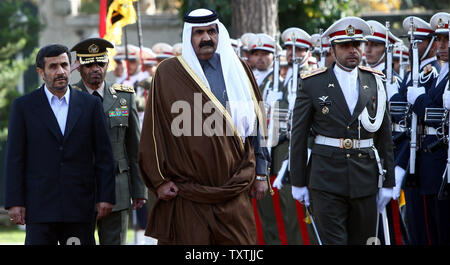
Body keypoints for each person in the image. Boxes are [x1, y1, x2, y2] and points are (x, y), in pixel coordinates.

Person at [138, 8, 269, 245]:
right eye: (198, 32)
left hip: (234, 189)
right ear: (189, 36)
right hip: (189, 195)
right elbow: (153, 132)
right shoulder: (168, 73)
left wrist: (261, 172)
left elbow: (257, 125)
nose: (206, 38)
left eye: (211, 31)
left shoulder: (240, 69)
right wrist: (158, 181)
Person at [289, 17, 395, 245]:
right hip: (326, 178)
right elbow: (298, 135)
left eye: (357, 45)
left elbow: (385, 137)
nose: (352, 51)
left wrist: (389, 183)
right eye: (345, 46)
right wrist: (297, 181)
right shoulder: (312, 83)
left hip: (365, 178)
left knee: (364, 241)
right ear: (332, 49)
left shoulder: (375, 81)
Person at [4, 44, 115, 245]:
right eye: (53, 66)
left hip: (80, 207)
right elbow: (15, 158)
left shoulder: (90, 106)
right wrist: (14, 202)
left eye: (64, 65)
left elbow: (104, 155)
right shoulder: (24, 107)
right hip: (39, 206)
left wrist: (106, 196)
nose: (61, 71)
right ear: (40, 72)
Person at [70, 38, 148, 245]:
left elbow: (135, 147)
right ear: (78, 66)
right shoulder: (69, 98)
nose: (95, 69)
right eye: (89, 64)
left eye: (100, 63)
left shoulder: (124, 97)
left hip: (118, 188)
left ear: (108, 64)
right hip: (79, 190)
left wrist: (139, 190)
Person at [389, 16, 442, 245]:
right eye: (409, 40)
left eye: (418, 41)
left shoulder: (432, 73)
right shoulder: (415, 74)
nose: (412, 46)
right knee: (416, 228)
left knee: (430, 230)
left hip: (428, 157)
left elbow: (424, 120)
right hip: (412, 159)